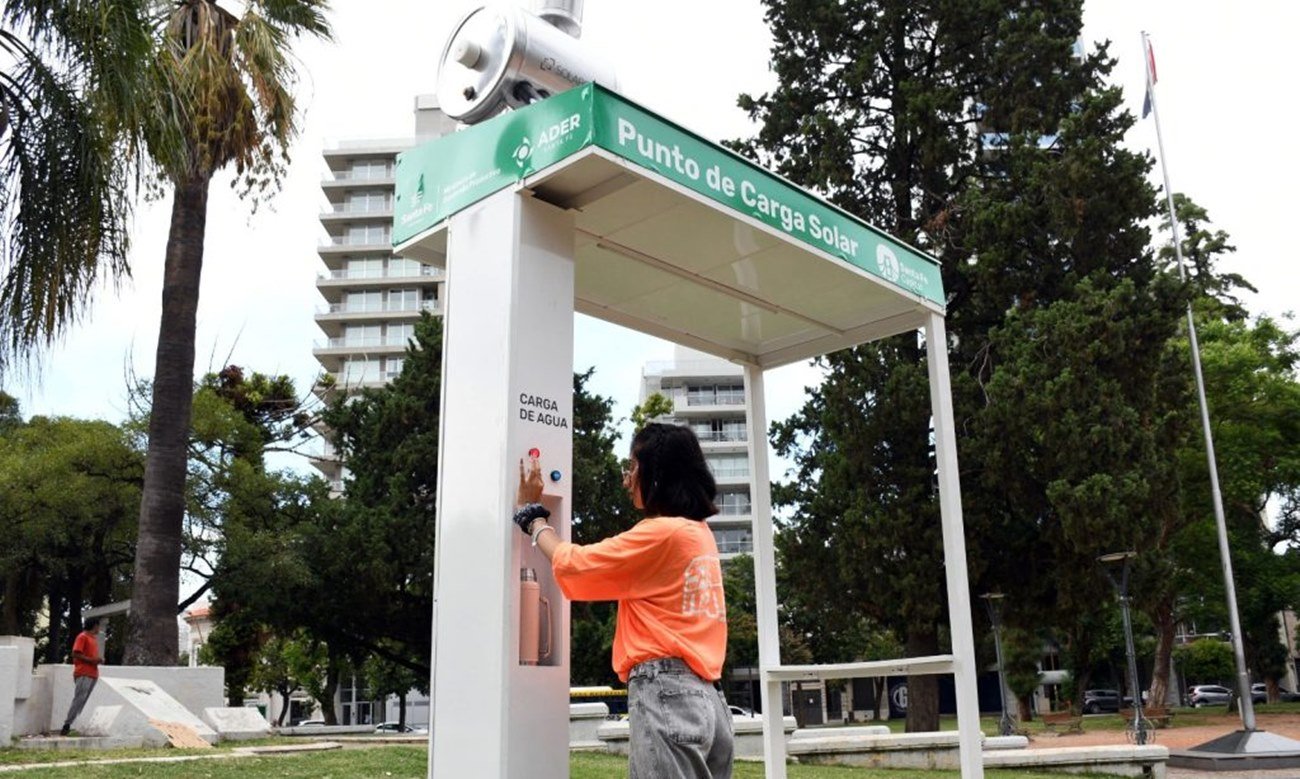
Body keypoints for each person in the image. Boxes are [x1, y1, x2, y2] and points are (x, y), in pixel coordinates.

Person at [512, 422, 733, 778]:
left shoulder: (662, 534)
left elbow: (578, 565)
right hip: (710, 702)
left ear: (656, 475)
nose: (627, 479)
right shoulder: (698, 534)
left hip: (668, 694)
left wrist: (534, 519)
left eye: (633, 467)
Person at [60, 616, 103, 736]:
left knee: (85, 700)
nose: (99, 628)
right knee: (79, 699)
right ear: (94, 625)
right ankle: (67, 724)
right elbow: (75, 653)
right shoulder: (82, 637)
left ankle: (77, 724)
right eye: (98, 625)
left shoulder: (93, 639)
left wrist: (97, 660)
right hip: (83, 672)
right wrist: (92, 660)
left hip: (93, 673)